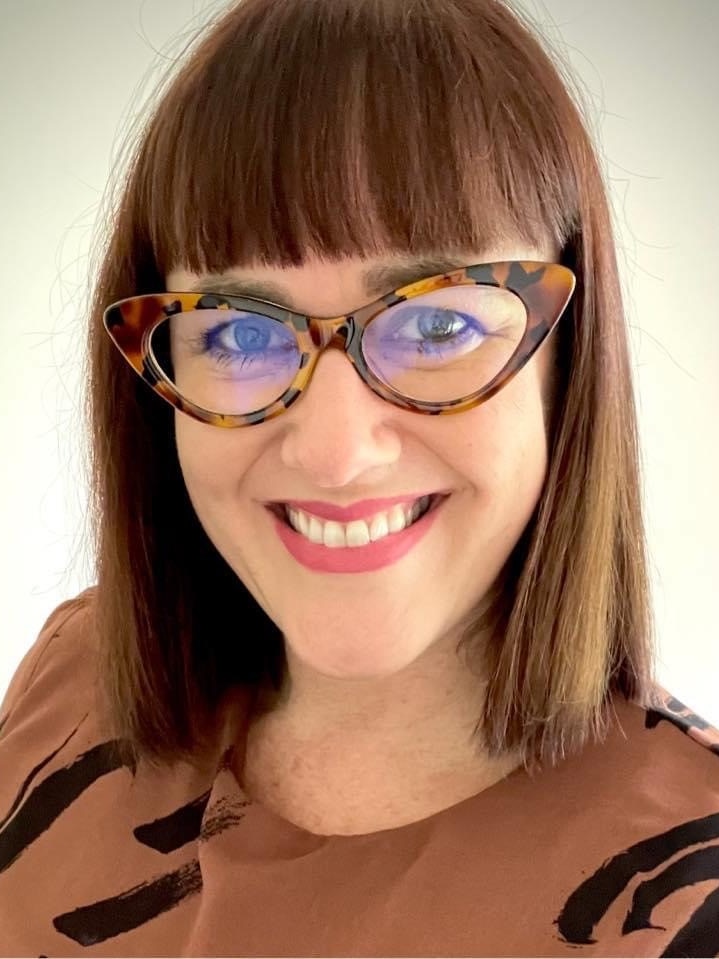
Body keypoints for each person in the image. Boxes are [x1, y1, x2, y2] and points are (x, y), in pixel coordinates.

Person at [1, 0, 717, 955]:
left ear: (567, 364)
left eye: (436, 326)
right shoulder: (69, 683)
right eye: (238, 331)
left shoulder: (683, 895)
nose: (334, 452)